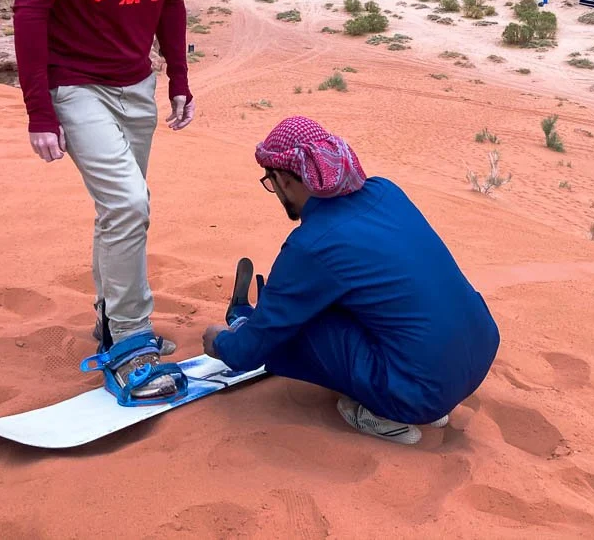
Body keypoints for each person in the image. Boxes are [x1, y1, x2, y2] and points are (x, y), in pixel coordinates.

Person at [12, 0, 216, 403]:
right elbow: (30, 10)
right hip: (75, 83)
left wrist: (178, 76)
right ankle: (130, 343)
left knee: (123, 212)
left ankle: (108, 324)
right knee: (129, 204)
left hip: (136, 85)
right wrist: (38, 111)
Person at [202, 117, 501, 445]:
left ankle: (386, 412)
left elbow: (249, 353)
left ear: (287, 179)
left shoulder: (312, 244)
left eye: (271, 182)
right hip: (481, 350)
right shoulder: (386, 190)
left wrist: (220, 343)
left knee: (295, 329)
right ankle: (429, 393)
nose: (274, 191)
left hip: (420, 389)